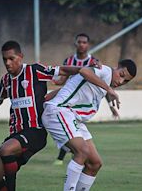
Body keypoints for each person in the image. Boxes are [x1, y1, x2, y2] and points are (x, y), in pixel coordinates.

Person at [0, 41, 115, 191]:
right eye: (4, 59)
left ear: (21, 56)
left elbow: (63, 71)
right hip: (16, 134)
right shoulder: (6, 80)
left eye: (11, 59)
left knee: (6, 150)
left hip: (35, 131)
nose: (7, 63)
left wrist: (85, 68)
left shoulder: (34, 71)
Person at [42, 59, 136, 191]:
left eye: (126, 81)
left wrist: (45, 98)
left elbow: (69, 87)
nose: (121, 82)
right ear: (116, 67)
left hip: (72, 116)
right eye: (121, 75)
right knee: (82, 151)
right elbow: (84, 70)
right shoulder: (106, 71)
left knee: (94, 163)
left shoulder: (105, 82)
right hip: (59, 110)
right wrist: (108, 89)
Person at [52, 33, 118, 166]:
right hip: (67, 99)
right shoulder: (69, 61)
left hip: (82, 103)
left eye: (84, 42)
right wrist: (52, 79)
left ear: (88, 45)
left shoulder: (94, 62)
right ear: (75, 44)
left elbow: (102, 88)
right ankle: (70, 158)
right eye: (79, 42)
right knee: (71, 131)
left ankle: (69, 158)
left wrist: (111, 106)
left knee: (73, 133)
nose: (82, 45)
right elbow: (62, 81)